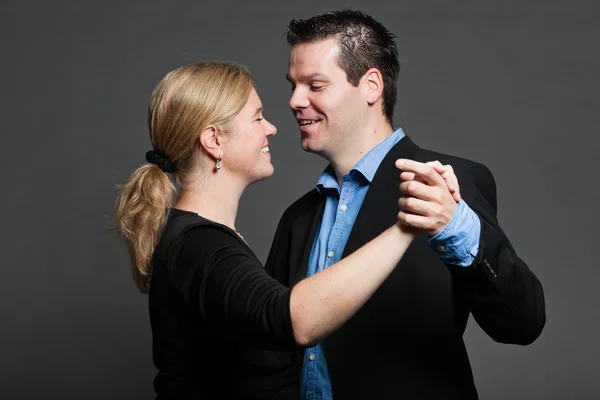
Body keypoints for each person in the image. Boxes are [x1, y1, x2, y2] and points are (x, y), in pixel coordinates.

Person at [114, 61, 459, 399]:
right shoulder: (201, 245)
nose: (271, 128)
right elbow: (294, 320)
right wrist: (408, 224)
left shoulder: (200, 239)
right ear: (213, 140)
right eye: (257, 117)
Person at [262, 9, 546, 400]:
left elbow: (522, 323)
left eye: (315, 85)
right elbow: (268, 350)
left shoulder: (446, 186)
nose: (295, 100)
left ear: (371, 86)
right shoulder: (297, 218)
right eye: (293, 85)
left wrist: (457, 227)